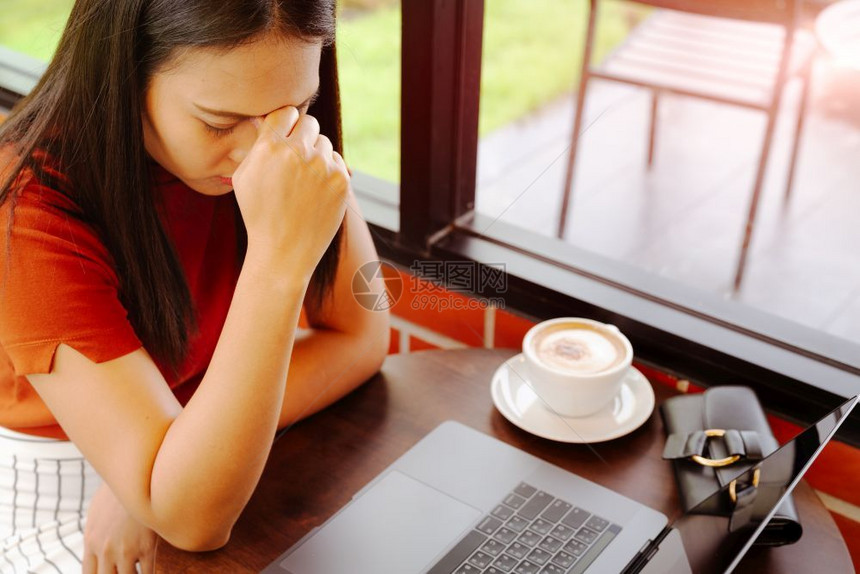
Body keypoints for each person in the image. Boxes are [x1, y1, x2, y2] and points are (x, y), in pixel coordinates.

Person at [0, 1, 391, 572]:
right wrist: (278, 263)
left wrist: (176, 454)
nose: (259, 154)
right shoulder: (28, 211)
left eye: (294, 111)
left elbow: (364, 335)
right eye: (218, 123)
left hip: (205, 435)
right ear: (125, 71)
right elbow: (192, 520)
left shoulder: (275, 140)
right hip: (61, 474)